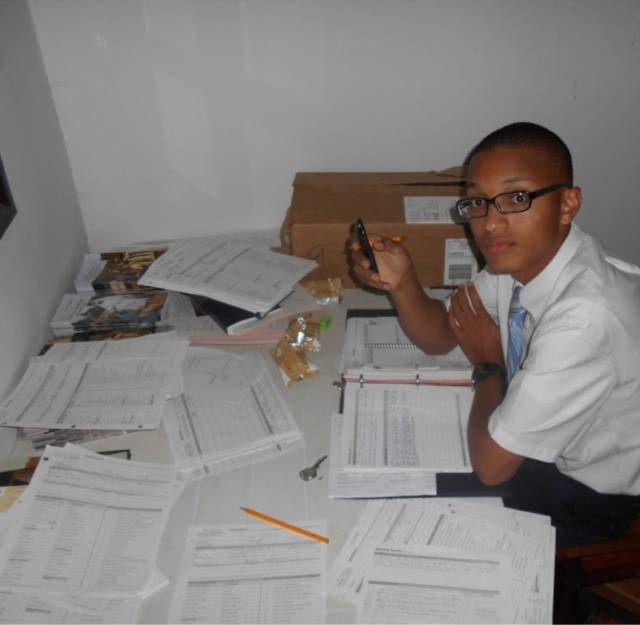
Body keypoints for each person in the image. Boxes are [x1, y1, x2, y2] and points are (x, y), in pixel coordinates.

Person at [351, 121, 640, 546]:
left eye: (517, 198)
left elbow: (491, 467)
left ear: (567, 204)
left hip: (586, 493)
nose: (490, 223)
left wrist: (490, 368)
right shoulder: (524, 263)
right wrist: (403, 282)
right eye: (479, 203)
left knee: (406, 507)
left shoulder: (584, 318)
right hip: (543, 443)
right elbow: (441, 336)